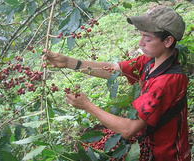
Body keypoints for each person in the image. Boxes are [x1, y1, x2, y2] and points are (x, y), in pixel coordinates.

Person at [43, 6, 191, 161]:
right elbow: (113, 70)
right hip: (148, 143)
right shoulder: (151, 60)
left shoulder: (166, 82)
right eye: (140, 36)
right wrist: (68, 62)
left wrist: (88, 106)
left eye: (147, 39)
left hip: (167, 155)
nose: (140, 43)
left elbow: (128, 130)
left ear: (168, 41)